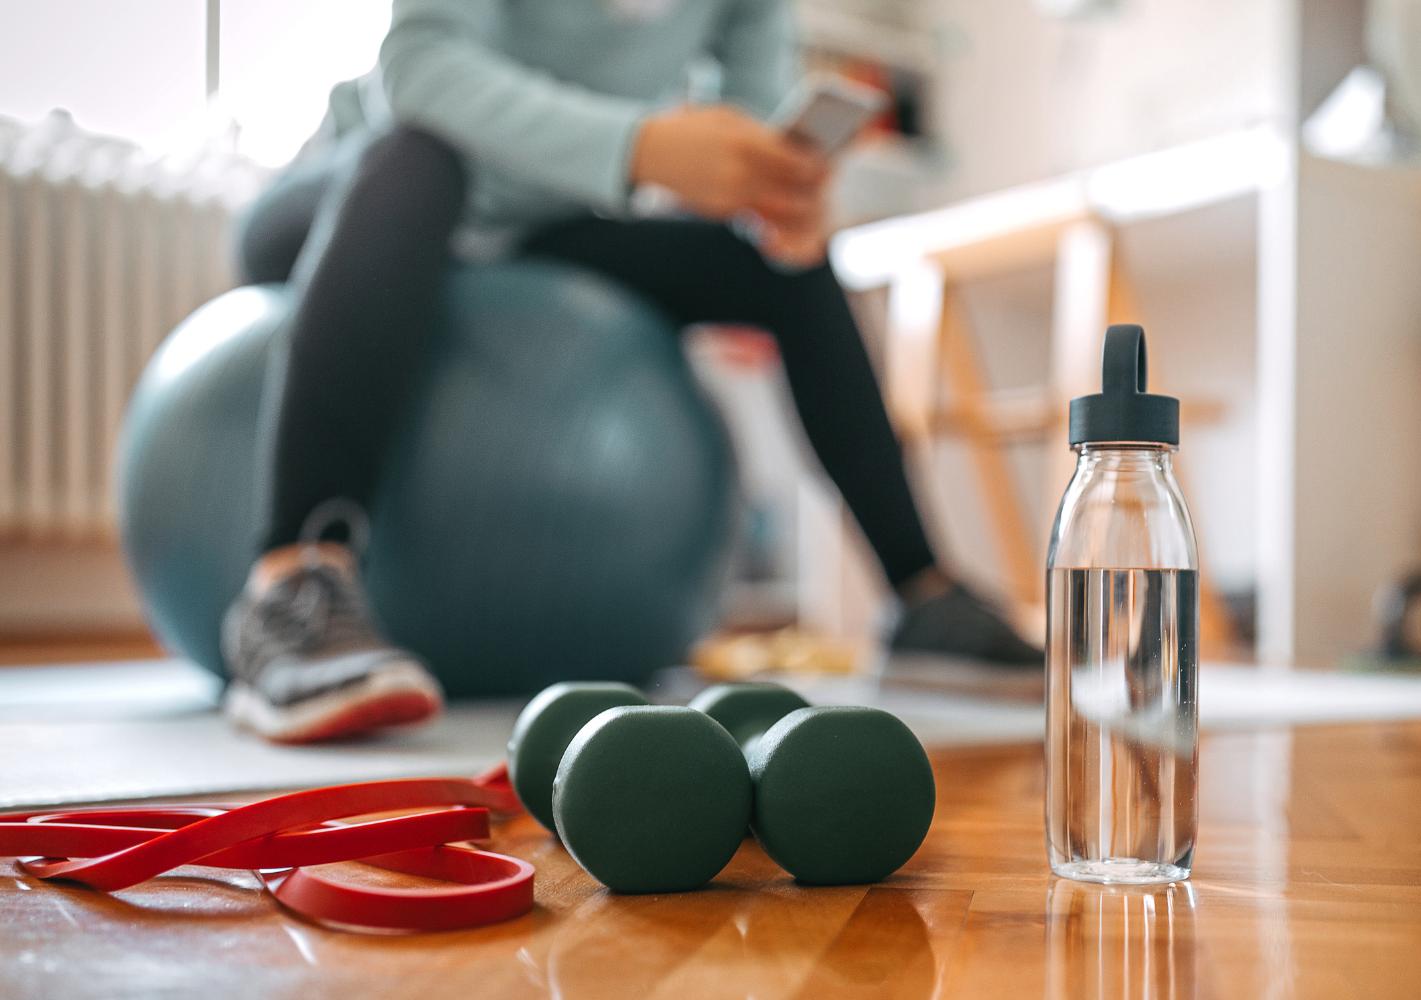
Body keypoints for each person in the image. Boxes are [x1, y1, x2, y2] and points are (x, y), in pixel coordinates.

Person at [223, 0, 1039, 743]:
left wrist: (779, 193)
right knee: (418, 157)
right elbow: (420, 71)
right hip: (366, 192)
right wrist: (641, 146)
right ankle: (290, 587)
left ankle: (922, 590)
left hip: (545, 217)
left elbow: (754, 119)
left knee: (785, 269)